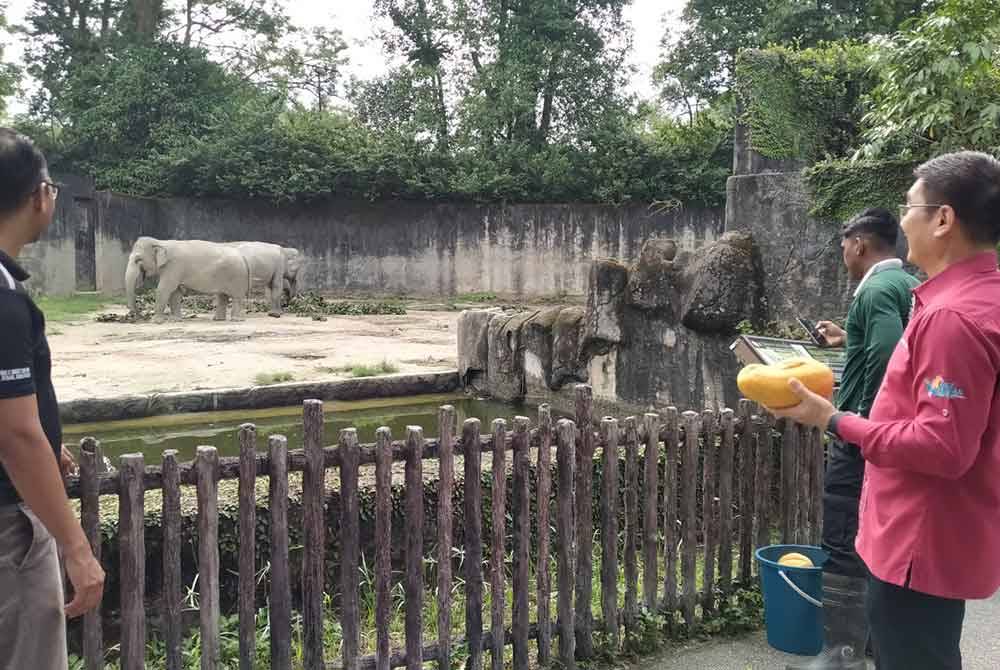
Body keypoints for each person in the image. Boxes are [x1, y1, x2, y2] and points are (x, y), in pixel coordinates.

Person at [769, 150, 1000, 670]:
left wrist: (833, 419)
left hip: (918, 540)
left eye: (910, 205)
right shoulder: (975, 297)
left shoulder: (952, 318)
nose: (901, 219)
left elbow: (943, 447)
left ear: (944, 220)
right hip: (940, 535)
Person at [0, 128, 105, 668]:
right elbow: (15, 434)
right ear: (40, 194)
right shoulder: (4, 301)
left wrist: (48, 435)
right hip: (7, 530)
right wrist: (77, 548)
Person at [812, 209, 920, 659]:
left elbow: (886, 353)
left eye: (843, 244)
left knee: (842, 535)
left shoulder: (873, 289)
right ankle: (872, 643)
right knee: (875, 538)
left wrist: (866, 425)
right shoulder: (907, 284)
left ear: (859, 243)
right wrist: (845, 339)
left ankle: (840, 653)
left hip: (862, 436)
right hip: (891, 437)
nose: (842, 253)